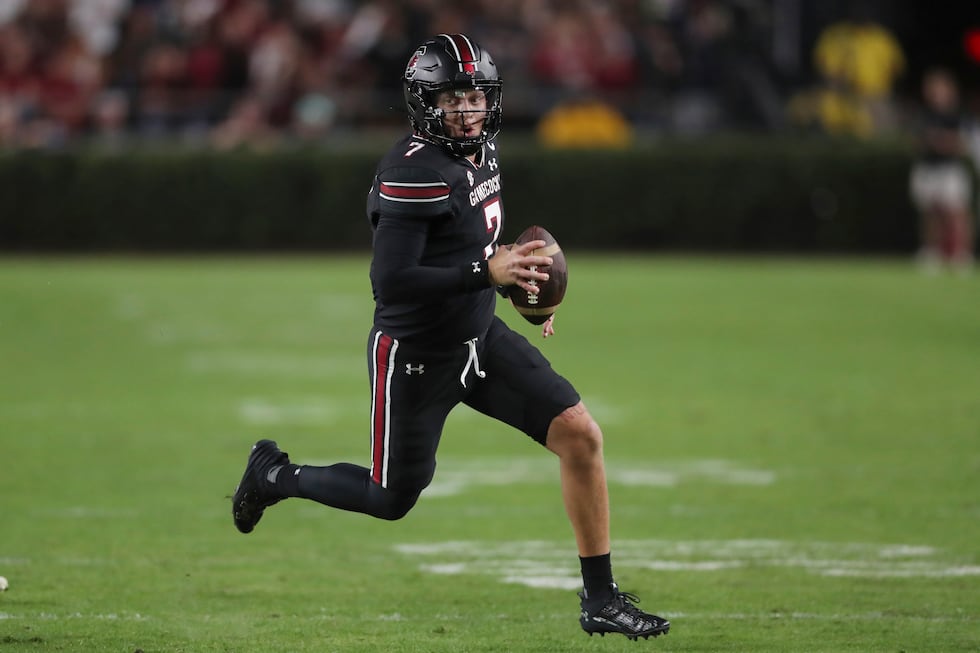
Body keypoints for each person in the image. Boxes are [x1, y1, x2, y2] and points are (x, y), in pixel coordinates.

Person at [231, 33, 670, 641]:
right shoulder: (412, 172)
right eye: (452, 98)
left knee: (580, 435)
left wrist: (518, 289)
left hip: (478, 336)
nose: (467, 110)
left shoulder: (480, 151)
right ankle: (275, 476)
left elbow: (476, 245)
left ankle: (600, 598)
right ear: (423, 102)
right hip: (415, 355)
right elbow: (391, 281)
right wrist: (484, 274)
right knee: (391, 498)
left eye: (476, 97)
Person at [909, 67, 975, 273]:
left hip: (950, 169)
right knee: (930, 213)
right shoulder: (923, 114)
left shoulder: (958, 114)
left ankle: (961, 254)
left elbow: (964, 143)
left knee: (956, 213)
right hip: (928, 168)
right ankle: (931, 252)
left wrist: (942, 141)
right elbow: (918, 141)